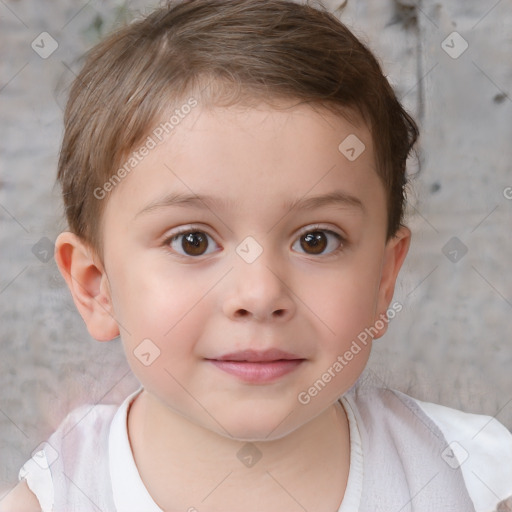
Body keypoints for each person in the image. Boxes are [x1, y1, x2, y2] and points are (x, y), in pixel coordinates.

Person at [2, 0, 511, 510]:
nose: (260, 294)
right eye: (192, 241)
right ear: (96, 286)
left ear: (384, 277)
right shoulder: (56, 498)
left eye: (317, 240)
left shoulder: (475, 479)